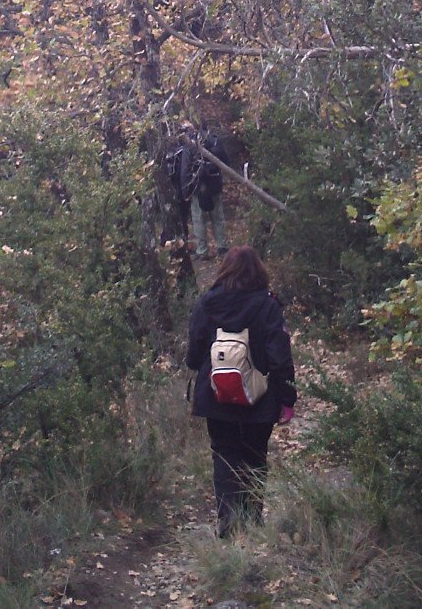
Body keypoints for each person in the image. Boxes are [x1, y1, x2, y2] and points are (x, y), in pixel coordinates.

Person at [185, 246, 297, 538]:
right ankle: (252, 521)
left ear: (224, 269)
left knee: (224, 454)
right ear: (259, 270)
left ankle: (228, 520)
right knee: (255, 456)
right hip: (259, 398)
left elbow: (195, 349)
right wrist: (287, 399)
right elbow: (279, 355)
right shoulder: (268, 305)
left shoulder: (208, 302)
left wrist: (198, 365)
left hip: (215, 394)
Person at [176, 121, 229, 259]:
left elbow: (185, 170)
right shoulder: (214, 140)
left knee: (199, 220)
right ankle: (222, 248)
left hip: (198, 188)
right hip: (215, 185)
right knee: (218, 218)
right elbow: (226, 162)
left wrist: (185, 191)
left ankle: (202, 250)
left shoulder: (190, 145)